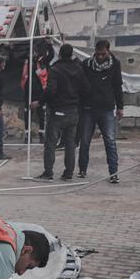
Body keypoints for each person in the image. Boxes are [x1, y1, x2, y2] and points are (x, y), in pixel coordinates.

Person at [32, 43, 90, 181]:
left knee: (50, 143)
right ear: (71, 54)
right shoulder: (79, 69)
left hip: (58, 110)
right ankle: (68, 173)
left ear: (60, 54)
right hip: (73, 111)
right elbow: (86, 88)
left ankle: (48, 173)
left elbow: (51, 90)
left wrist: (40, 102)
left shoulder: (55, 69)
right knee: (70, 144)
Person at [78, 39, 124, 183]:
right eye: (98, 54)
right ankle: (82, 170)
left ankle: (113, 173)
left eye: (103, 54)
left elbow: (117, 86)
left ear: (108, 51)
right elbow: (80, 86)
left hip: (107, 109)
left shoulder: (115, 64)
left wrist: (120, 107)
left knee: (110, 141)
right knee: (85, 141)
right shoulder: (86, 64)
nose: (100, 57)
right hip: (88, 108)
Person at [22, 42, 52, 144]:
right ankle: (27, 135)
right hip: (28, 92)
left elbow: (51, 56)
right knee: (27, 114)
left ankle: (41, 134)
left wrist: (49, 44)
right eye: (31, 52)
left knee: (41, 113)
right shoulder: (26, 61)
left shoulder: (41, 60)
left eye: (34, 52)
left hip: (40, 92)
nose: (33, 54)